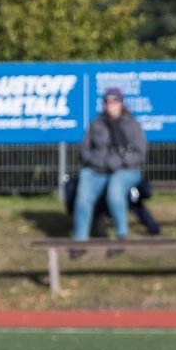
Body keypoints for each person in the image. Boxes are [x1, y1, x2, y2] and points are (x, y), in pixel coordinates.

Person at [73, 87, 148, 241]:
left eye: (114, 101)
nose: (110, 104)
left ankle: (121, 235)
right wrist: (93, 161)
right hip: (96, 170)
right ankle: (80, 240)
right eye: (107, 101)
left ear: (121, 103)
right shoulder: (96, 124)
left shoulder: (132, 124)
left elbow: (140, 153)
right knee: (83, 197)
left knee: (115, 193)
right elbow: (85, 149)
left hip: (125, 170)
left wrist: (121, 162)